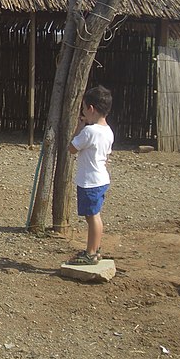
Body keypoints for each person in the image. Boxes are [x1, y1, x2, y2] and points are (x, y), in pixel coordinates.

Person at [67, 85, 114, 265]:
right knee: (94, 215)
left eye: (84, 109)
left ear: (91, 109)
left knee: (92, 216)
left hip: (90, 181)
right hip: (101, 178)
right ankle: (95, 248)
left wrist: (79, 127)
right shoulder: (107, 131)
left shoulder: (89, 131)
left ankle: (91, 252)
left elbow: (72, 148)